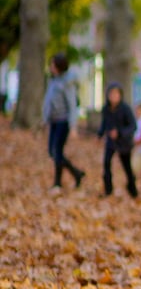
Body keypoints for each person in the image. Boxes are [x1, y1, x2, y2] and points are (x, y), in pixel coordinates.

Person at [41, 53, 85, 193]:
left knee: (57, 152)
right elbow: (48, 102)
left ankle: (57, 183)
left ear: (59, 66)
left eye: (53, 65)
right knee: (52, 152)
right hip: (53, 121)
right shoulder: (53, 80)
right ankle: (76, 173)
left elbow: (72, 105)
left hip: (63, 122)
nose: (51, 67)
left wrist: (73, 127)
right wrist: (45, 119)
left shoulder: (67, 83)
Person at [97, 82, 138, 198]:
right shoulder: (106, 109)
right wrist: (100, 135)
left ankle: (133, 190)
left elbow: (132, 126)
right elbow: (104, 123)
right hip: (110, 142)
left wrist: (120, 133)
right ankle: (108, 190)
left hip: (124, 143)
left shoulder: (125, 109)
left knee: (127, 167)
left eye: (116, 94)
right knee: (106, 164)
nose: (114, 97)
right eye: (112, 94)